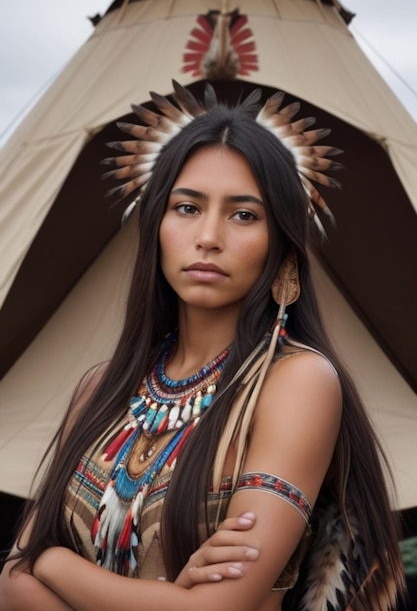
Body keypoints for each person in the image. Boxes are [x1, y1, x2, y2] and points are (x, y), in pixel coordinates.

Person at [0, 81, 405, 611]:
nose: (208, 235)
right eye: (187, 207)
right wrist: (162, 596)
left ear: (281, 244)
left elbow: (215, 607)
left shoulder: (297, 382)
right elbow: (10, 581)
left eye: (243, 215)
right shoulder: (100, 388)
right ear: (158, 227)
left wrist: (51, 563)